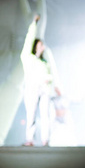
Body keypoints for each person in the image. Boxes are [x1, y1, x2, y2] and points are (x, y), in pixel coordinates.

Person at [21, 14, 61, 146]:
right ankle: (30, 139)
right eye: (40, 45)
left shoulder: (44, 63)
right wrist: (34, 24)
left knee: (45, 116)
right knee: (31, 115)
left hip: (45, 90)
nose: (42, 47)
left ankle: (45, 140)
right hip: (32, 89)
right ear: (35, 46)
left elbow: (52, 75)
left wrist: (53, 85)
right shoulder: (28, 57)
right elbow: (28, 40)